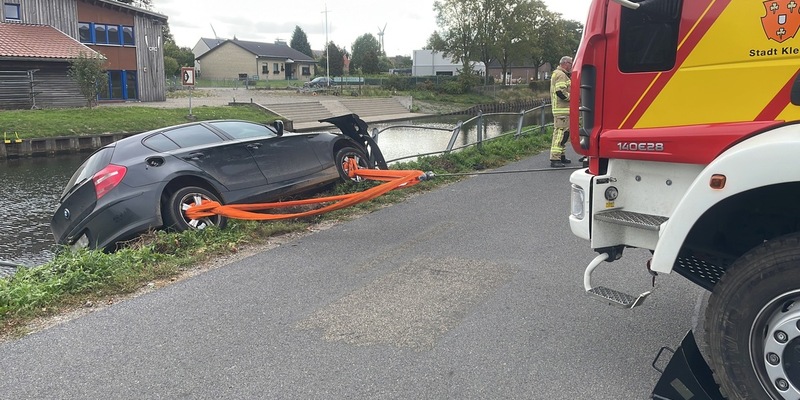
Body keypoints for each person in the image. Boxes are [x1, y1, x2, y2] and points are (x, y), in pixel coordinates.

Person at [549, 56, 573, 168]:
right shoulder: (561, 75)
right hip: (561, 111)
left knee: (564, 134)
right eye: (571, 64)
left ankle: (561, 155)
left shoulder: (561, 74)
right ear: (565, 63)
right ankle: (555, 158)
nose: (571, 66)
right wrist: (573, 98)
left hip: (563, 111)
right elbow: (560, 92)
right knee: (559, 134)